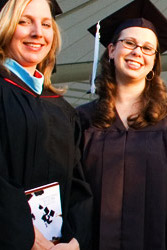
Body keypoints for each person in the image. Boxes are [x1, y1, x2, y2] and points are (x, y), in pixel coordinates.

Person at [77, 0, 167, 249]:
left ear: (153, 63)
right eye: (130, 43)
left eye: (148, 48)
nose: (138, 52)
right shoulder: (83, 119)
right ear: (112, 50)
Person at [0, 0, 92, 249]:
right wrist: (24, 235)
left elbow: (77, 184)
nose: (37, 33)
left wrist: (75, 241)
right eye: (24, 21)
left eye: (46, 24)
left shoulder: (61, 108)